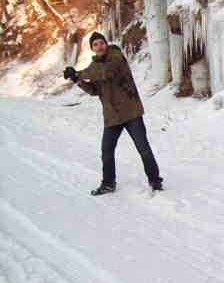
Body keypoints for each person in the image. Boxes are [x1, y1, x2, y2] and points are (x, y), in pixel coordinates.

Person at [63, 32, 163, 195]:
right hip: (112, 116)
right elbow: (94, 90)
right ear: (92, 49)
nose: (99, 46)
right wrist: (77, 80)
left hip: (131, 112)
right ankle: (108, 183)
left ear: (106, 44)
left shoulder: (116, 57)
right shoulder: (94, 65)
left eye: (101, 43)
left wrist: (78, 73)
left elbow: (105, 72)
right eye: (95, 45)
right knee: (106, 150)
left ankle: (155, 181)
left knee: (143, 148)